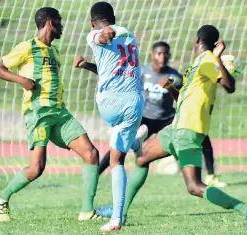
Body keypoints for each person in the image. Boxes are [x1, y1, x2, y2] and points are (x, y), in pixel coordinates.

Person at [95, 25, 247, 226]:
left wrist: (217, 56)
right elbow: (183, 98)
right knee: (141, 158)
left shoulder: (208, 60)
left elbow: (229, 86)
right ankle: (120, 212)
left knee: (194, 186)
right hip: (175, 128)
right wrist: (171, 89)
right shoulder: (196, 65)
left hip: (188, 131)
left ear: (196, 42)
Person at [0, 7, 101, 222]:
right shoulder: (27, 47)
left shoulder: (54, 51)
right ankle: (1, 197)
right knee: (36, 169)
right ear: (50, 23)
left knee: (91, 154)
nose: (62, 26)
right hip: (38, 114)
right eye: (59, 22)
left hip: (60, 113)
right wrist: (22, 80)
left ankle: (87, 211)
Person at [97, 41, 226, 188]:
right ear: (152, 55)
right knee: (121, 142)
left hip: (167, 119)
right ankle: (97, 174)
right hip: (146, 118)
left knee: (204, 138)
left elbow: (182, 98)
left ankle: (211, 176)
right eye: (159, 53)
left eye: (165, 54)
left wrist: (171, 87)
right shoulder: (142, 72)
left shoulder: (175, 76)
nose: (162, 57)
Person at [74, 2, 147, 232]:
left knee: (116, 161)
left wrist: (104, 33)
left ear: (92, 22)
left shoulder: (94, 33)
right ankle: (135, 141)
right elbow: (110, 68)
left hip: (111, 103)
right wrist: (87, 65)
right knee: (120, 140)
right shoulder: (130, 36)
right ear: (114, 17)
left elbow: (101, 37)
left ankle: (116, 219)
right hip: (135, 102)